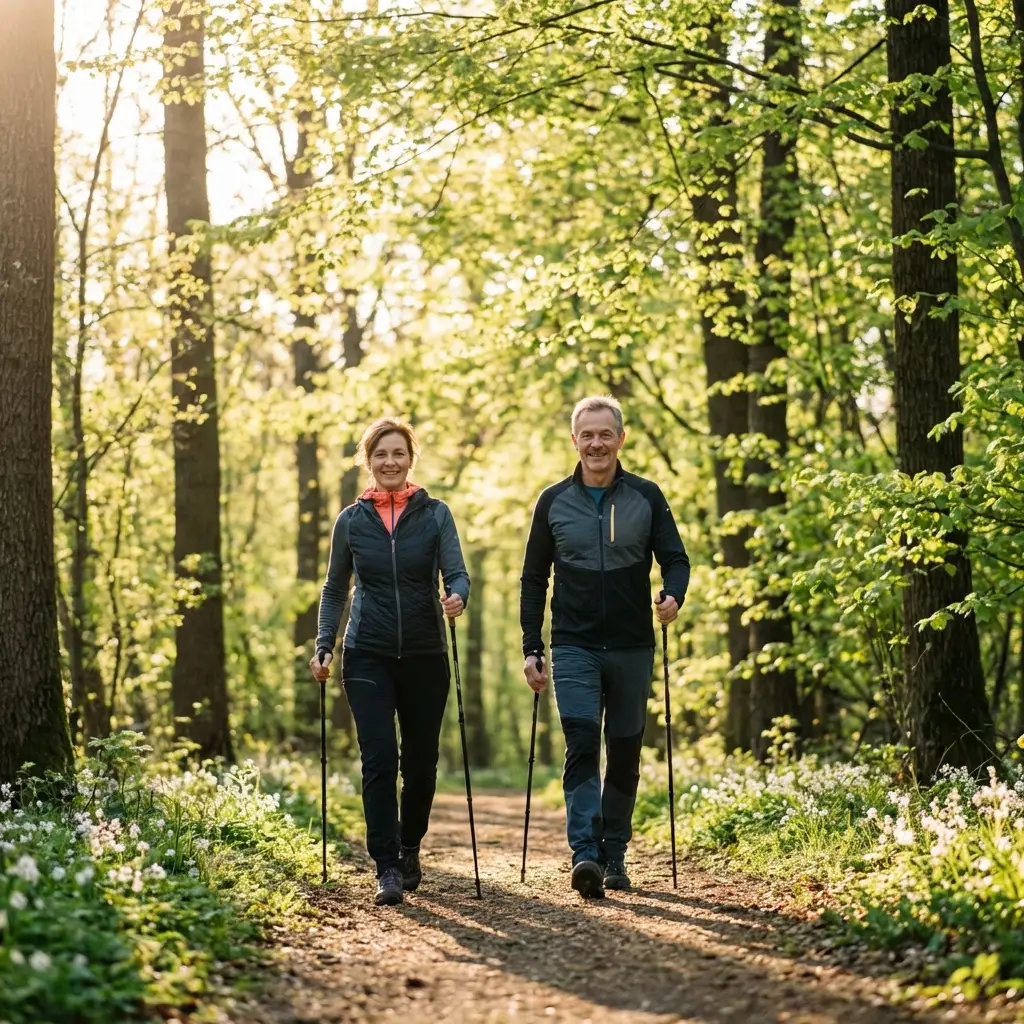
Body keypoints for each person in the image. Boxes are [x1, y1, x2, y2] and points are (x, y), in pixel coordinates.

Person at [520, 395, 689, 898]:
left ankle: (615, 850)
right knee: (581, 743)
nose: (596, 443)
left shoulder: (647, 496)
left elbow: (676, 559)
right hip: (573, 644)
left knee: (624, 749)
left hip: (633, 644)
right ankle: (585, 853)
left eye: (605, 434)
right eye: (587, 434)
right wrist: (533, 645)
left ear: (621, 438)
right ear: (574, 440)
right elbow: (533, 579)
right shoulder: (552, 501)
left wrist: (672, 595)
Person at [311, 417, 470, 906]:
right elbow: (336, 587)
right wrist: (324, 642)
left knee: (420, 764)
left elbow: (457, 573)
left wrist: (456, 597)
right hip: (367, 652)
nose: (390, 462)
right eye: (381, 454)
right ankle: (386, 866)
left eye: (399, 453)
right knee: (379, 759)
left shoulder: (436, 514)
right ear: (368, 460)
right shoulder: (351, 521)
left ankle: (408, 845)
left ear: (410, 459)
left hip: (424, 652)